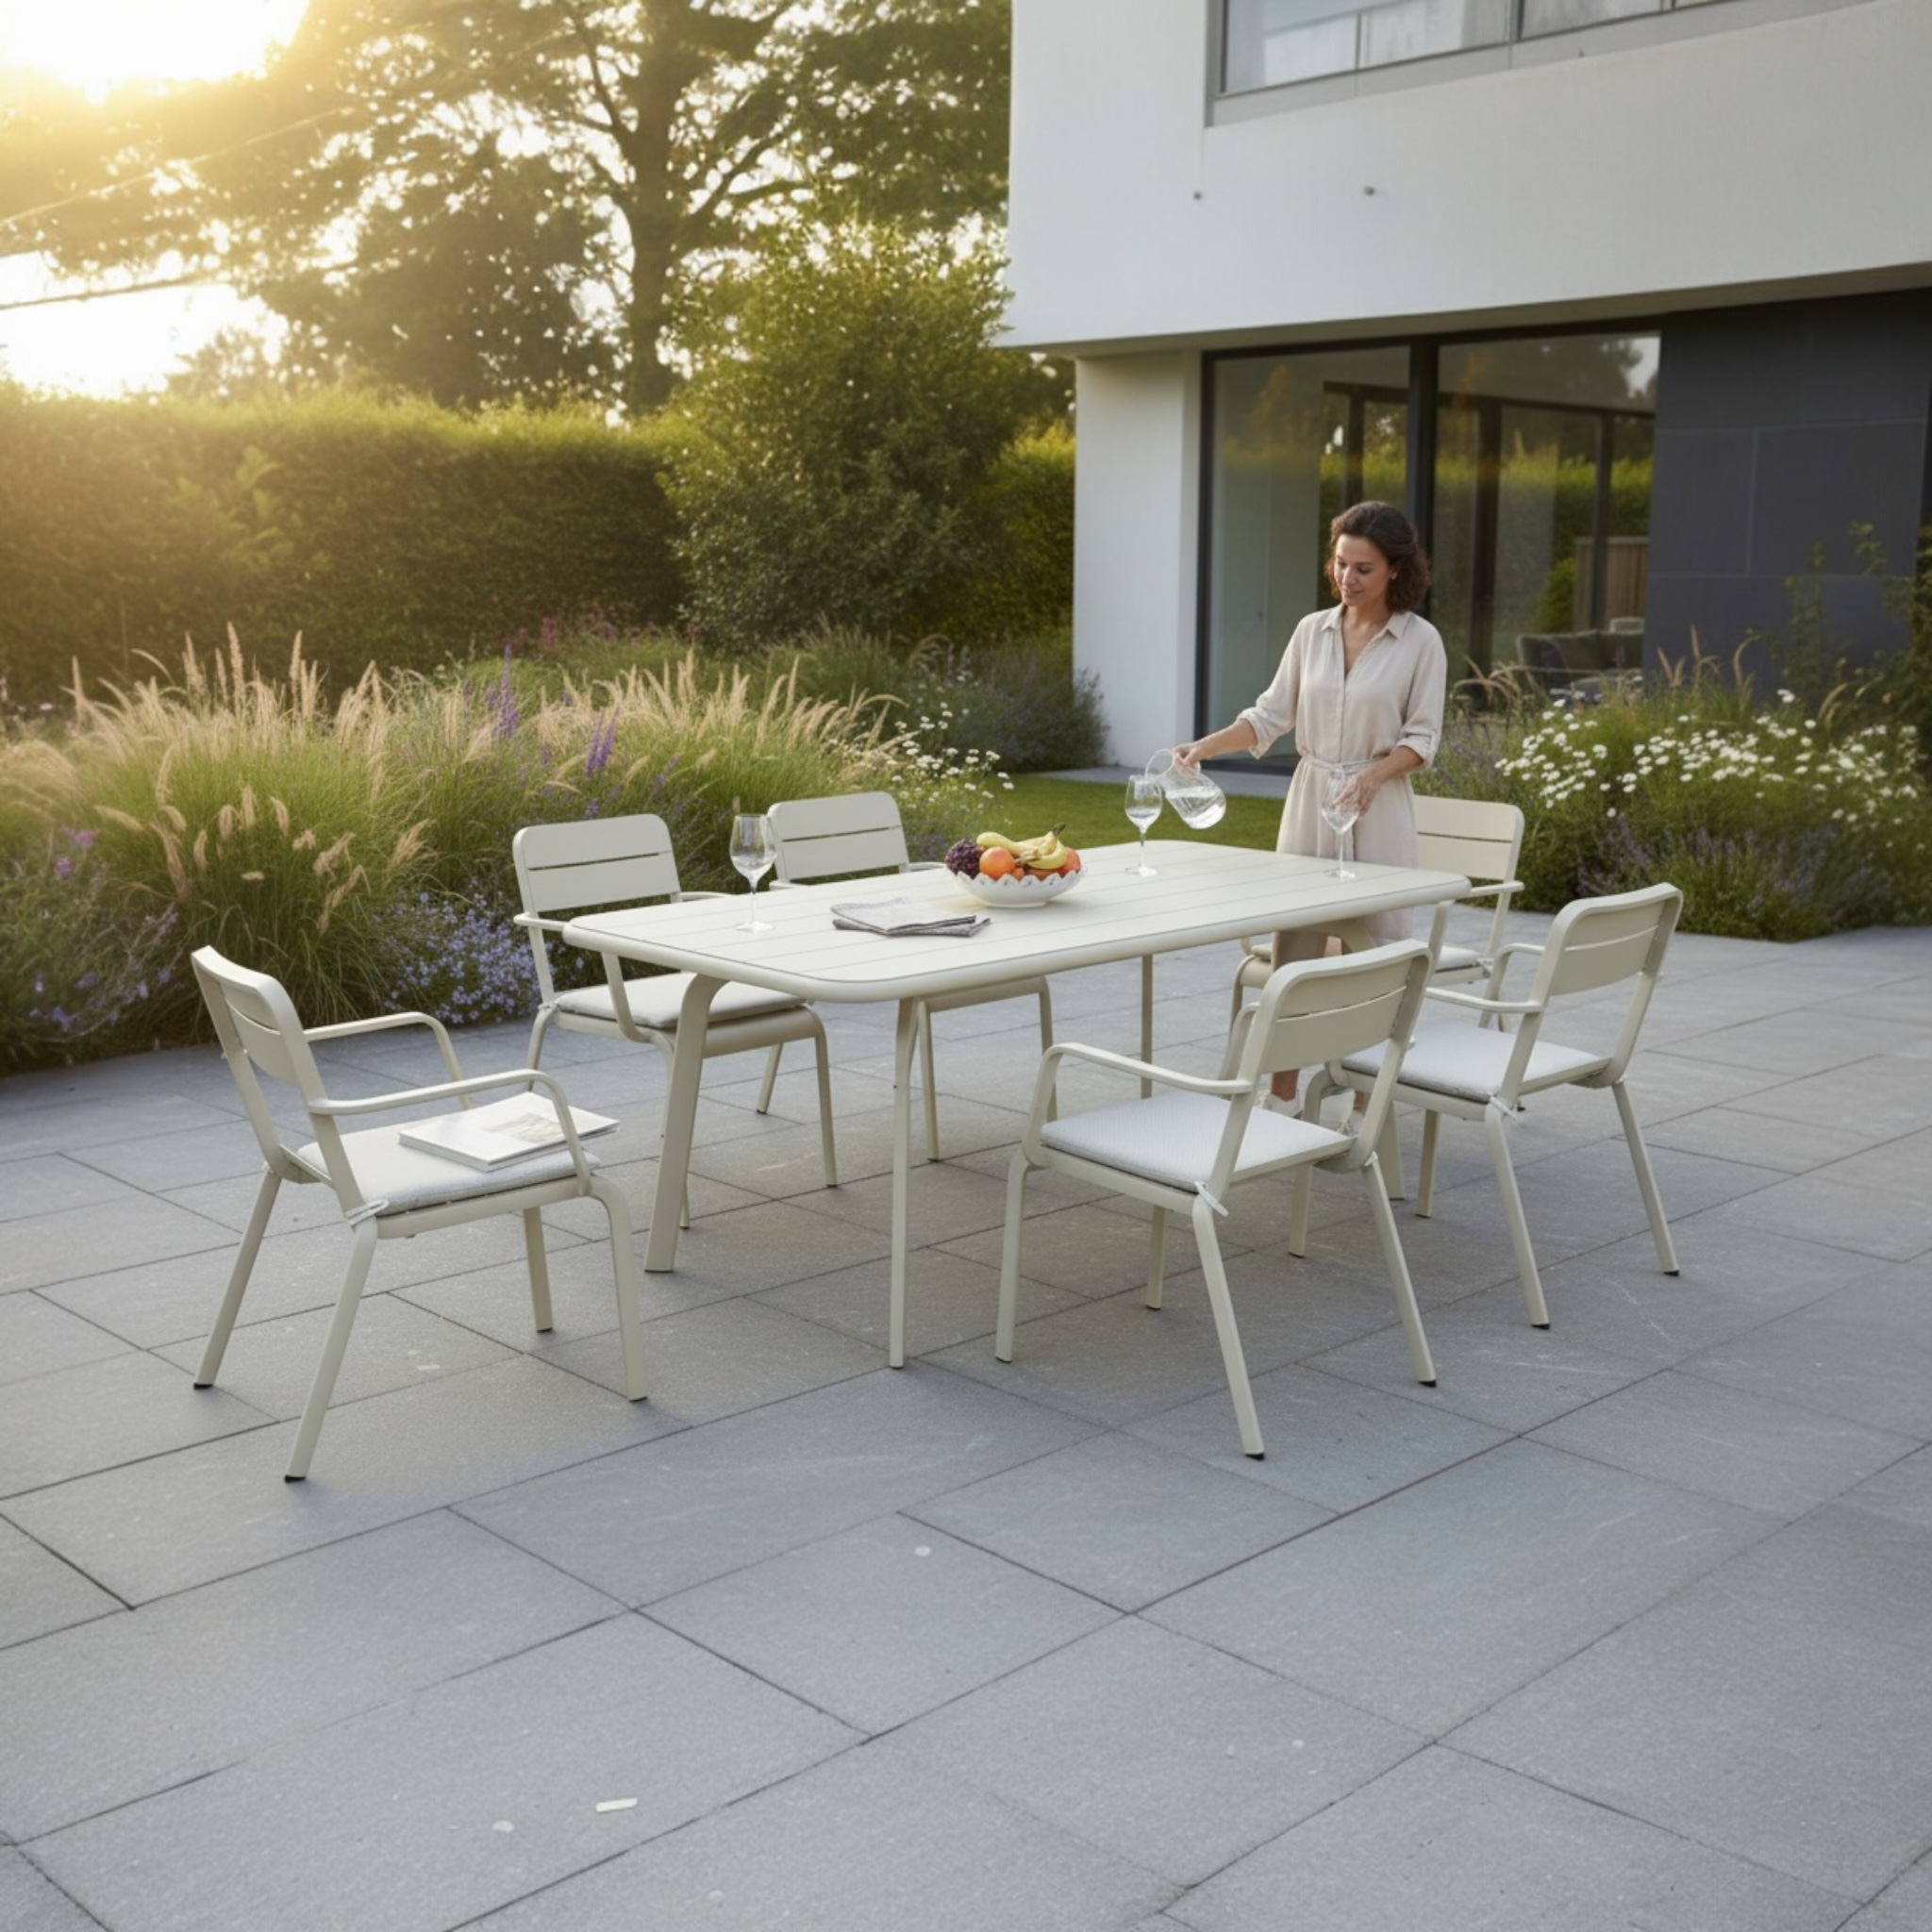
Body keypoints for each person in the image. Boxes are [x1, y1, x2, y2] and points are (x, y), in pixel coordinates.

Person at [1175, 500, 1447, 1116]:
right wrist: (1205, 747)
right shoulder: (1311, 631)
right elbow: (1270, 716)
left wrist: (1374, 777)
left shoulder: (1421, 642)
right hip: (1310, 802)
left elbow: (1422, 739)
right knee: (1293, 956)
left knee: (1373, 962)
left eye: (1363, 569)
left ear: (1397, 572)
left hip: (1377, 812)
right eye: (1340, 563)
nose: (1346, 579)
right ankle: (1282, 1100)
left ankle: (1361, 1111)